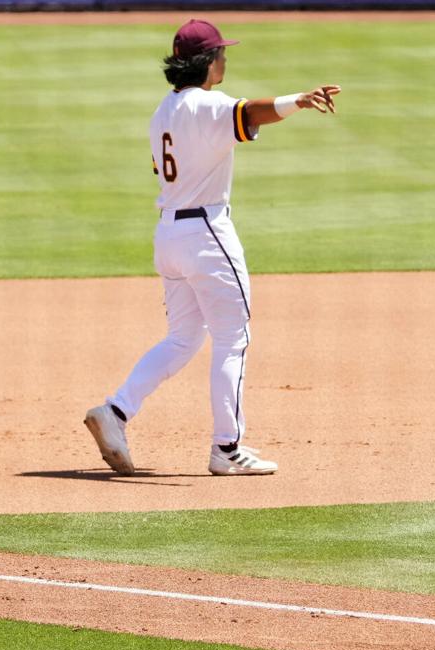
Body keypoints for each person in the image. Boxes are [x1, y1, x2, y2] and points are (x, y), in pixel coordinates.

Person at [84, 19, 340, 476]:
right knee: (233, 337)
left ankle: (116, 411)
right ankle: (227, 448)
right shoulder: (206, 105)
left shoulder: (162, 111)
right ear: (206, 62)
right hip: (206, 233)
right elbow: (251, 113)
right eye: (221, 53)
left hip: (168, 235)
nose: (226, 59)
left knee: (184, 338)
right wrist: (297, 100)